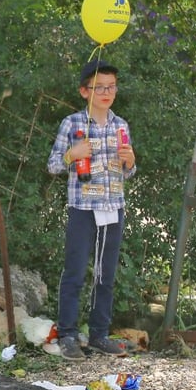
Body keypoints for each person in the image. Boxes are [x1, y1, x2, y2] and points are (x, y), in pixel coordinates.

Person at [46, 58, 137, 361]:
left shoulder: (121, 125)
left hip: (113, 208)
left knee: (105, 274)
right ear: (84, 91)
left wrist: (130, 162)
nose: (106, 92)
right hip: (83, 208)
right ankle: (68, 334)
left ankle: (99, 335)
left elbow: (127, 172)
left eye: (111, 87)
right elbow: (53, 165)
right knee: (74, 272)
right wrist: (72, 154)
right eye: (99, 87)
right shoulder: (72, 124)